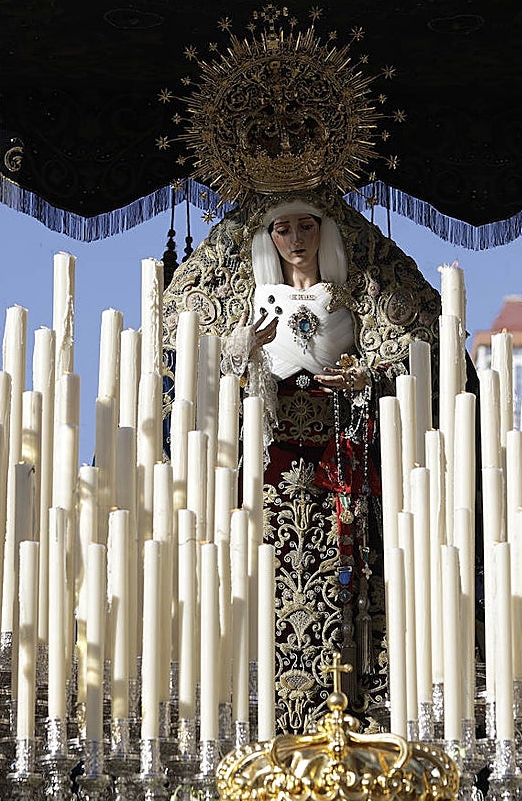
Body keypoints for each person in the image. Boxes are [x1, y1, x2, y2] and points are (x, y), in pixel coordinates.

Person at [161, 190, 441, 733]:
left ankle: (351, 696)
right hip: (268, 470)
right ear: (269, 239)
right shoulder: (254, 308)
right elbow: (192, 354)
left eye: (305, 228)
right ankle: (261, 700)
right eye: (282, 230)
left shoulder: (351, 301)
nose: (295, 241)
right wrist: (247, 348)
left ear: (323, 232)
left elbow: (414, 346)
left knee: (346, 578)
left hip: (340, 465)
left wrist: (364, 377)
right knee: (262, 572)